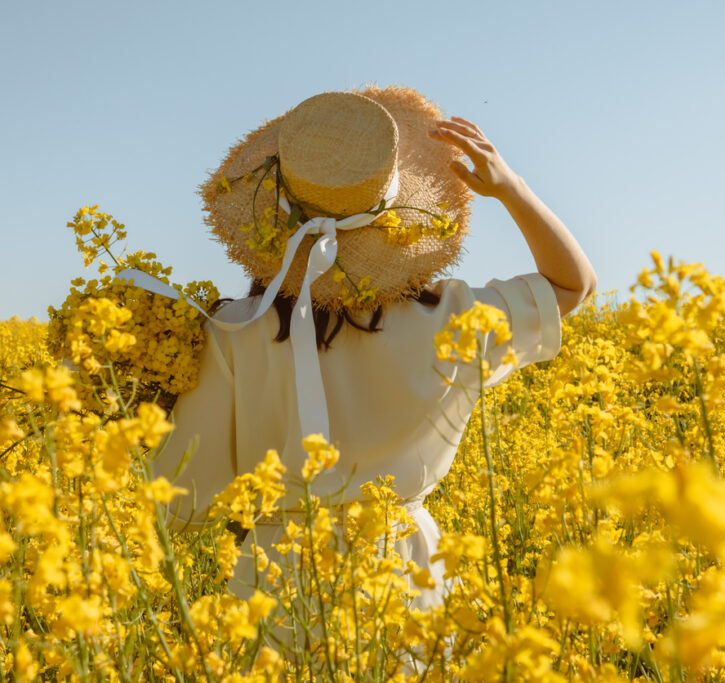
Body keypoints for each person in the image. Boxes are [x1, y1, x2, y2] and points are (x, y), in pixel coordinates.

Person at [148, 86, 596, 618]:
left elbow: (184, 499)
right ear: (396, 213)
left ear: (272, 220)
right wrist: (511, 188)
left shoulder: (230, 331)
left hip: (276, 577)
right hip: (406, 573)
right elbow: (574, 287)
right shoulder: (451, 316)